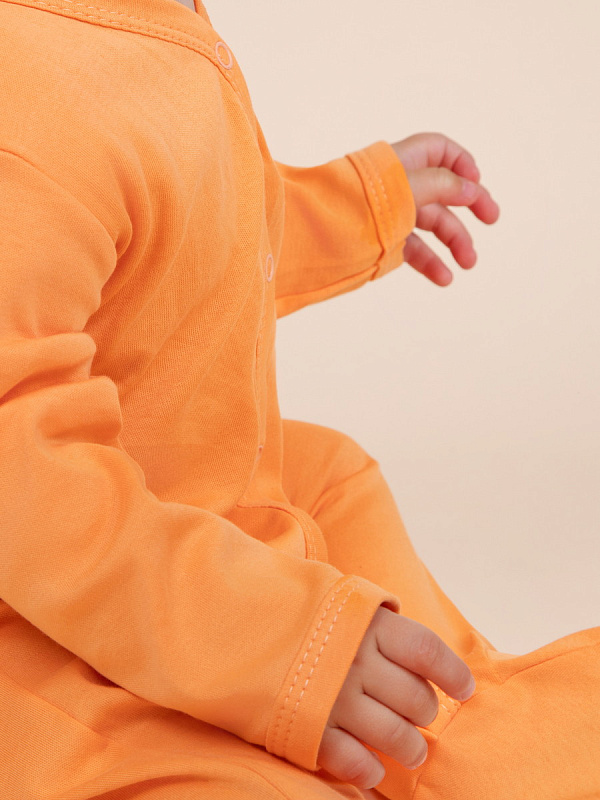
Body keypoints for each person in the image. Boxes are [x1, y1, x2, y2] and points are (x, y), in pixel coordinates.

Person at [0, 0, 598, 797]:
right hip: (47, 626)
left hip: (230, 512)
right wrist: (282, 644)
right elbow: (20, 480)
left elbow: (189, 244)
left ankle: (460, 732)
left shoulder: (145, 33)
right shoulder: (30, 105)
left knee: (436, 688)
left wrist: (361, 205)